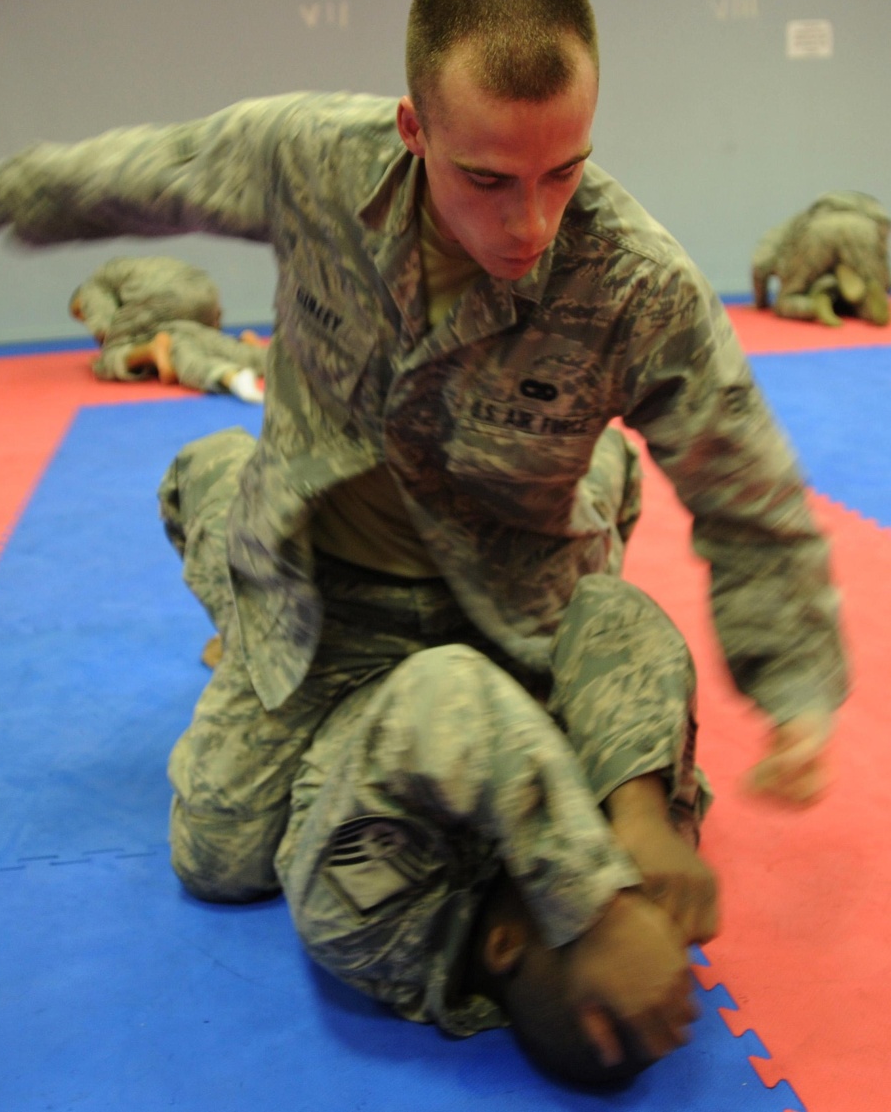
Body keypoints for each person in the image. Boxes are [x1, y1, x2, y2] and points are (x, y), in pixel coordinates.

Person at [0, 0, 847, 1068]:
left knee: (611, 641)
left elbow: (741, 471)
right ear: (413, 130)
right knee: (221, 854)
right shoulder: (318, 160)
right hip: (322, 577)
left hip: (511, 592)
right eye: (488, 178)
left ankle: (600, 490)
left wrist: (792, 685)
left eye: (563, 171)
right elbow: (163, 165)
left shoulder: (630, 279)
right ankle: (219, 500)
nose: (531, 221)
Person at [160, 423, 714, 1086]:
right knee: (577, 469)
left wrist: (596, 907)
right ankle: (602, 452)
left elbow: (441, 689)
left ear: (504, 945)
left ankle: (223, 473)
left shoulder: (367, 926)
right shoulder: (630, 864)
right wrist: (644, 812)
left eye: (603, 921)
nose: (620, 883)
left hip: (337, 642)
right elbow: (612, 611)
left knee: (216, 863)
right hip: (511, 605)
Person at [69, 254, 268, 402]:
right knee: (189, 339)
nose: (84, 320)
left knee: (108, 360)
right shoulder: (133, 269)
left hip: (160, 295)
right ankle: (253, 352)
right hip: (204, 290)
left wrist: (106, 351)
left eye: (80, 314)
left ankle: (152, 350)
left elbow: (104, 327)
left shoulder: (91, 287)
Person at [752, 191, 890, 327]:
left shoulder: (797, 220)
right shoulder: (870, 207)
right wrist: (881, 281)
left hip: (818, 230)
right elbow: (882, 244)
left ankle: (814, 304)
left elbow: (760, 264)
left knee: (788, 299)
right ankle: (864, 304)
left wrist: (761, 302)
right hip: (864, 228)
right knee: (863, 292)